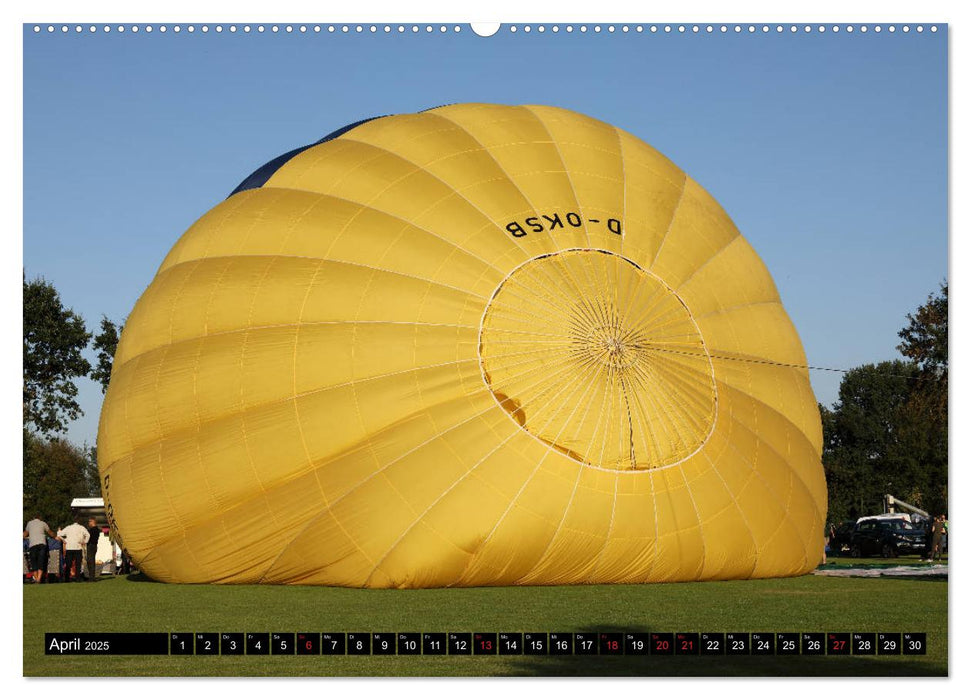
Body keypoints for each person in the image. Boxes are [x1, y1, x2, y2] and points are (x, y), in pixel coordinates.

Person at [23, 514, 55, 584]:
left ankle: (36, 579)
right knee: (41, 561)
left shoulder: (29, 523)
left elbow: (25, 534)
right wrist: (55, 536)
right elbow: (50, 533)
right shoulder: (43, 523)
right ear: (40, 518)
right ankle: (39, 579)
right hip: (42, 544)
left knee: (34, 562)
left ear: (34, 518)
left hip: (33, 545)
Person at [56, 516, 90, 582]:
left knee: (68, 564)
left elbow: (59, 534)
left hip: (69, 548)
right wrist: (84, 542)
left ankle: (67, 578)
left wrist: (64, 540)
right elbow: (88, 535)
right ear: (79, 522)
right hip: (78, 547)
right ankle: (78, 578)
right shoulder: (81, 528)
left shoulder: (68, 527)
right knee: (78, 564)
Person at [85, 518, 102, 582]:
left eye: (89, 521)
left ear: (93, 522)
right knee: (91, 561)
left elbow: (89, 538)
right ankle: (91, 577)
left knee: (90, 561)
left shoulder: (93, 530)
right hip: (93, 546)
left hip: (91, 546)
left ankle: (91, 578)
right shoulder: (96, 529)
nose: (89, 523)